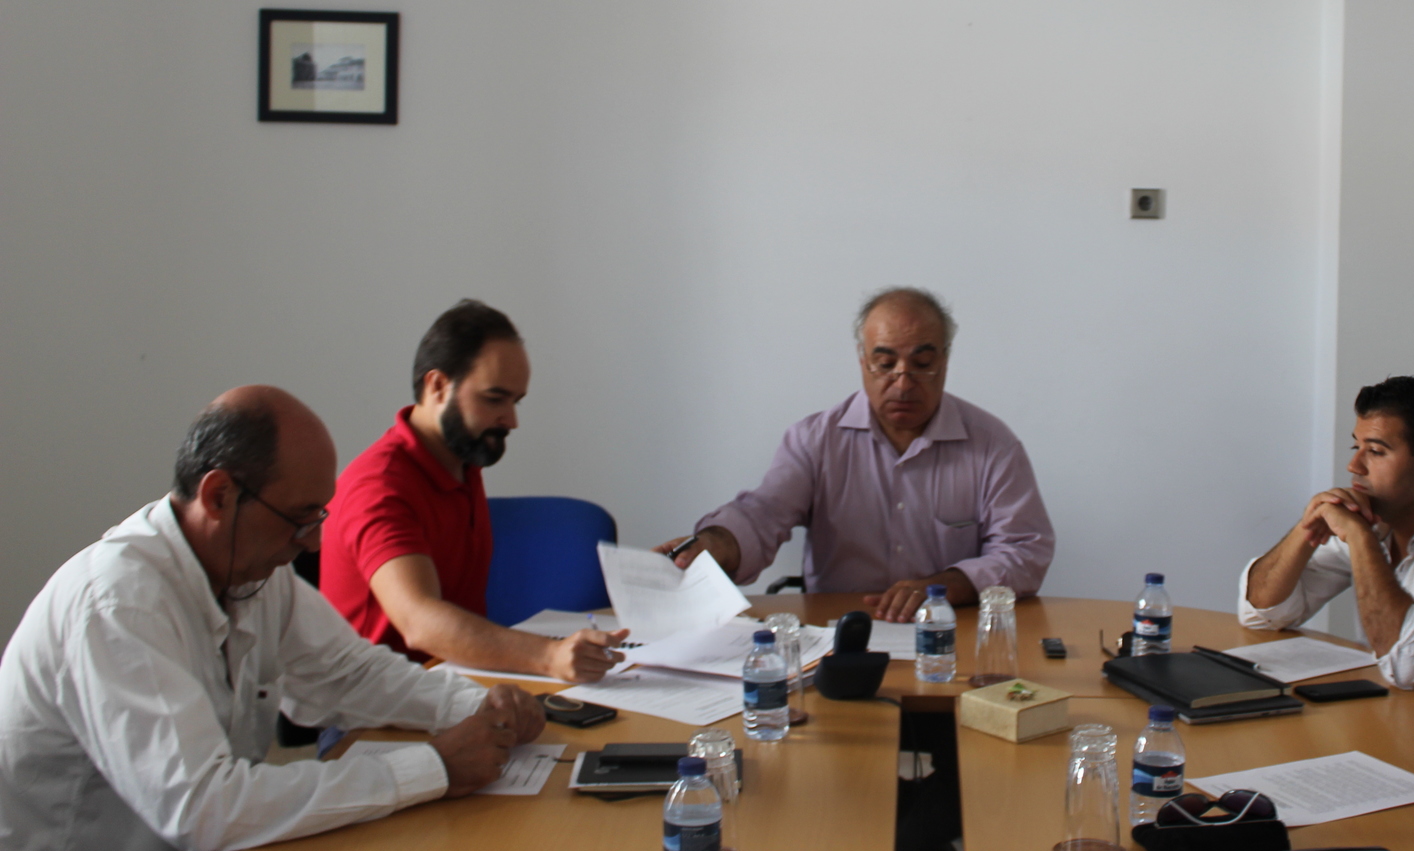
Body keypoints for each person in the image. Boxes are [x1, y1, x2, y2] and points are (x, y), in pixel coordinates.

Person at [0, 387, 546, 851]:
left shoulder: (249, 570)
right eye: (299, 517)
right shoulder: (118, 604)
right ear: (219, 495)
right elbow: (204, 807)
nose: (313, 542)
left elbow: (348, 672)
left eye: (319, 515)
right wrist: (431, 768)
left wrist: (480, 707)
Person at [658, 287, 1054, 622]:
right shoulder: (815, 440)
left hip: (949, 630)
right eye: (885, 364)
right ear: (862, 361)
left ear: (945, 361)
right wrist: (716, 545)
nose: (903, 382)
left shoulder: (992, 445)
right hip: (839, 634)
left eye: (922, 364)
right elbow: (763, 513)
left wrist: (945, 587)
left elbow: (1025, 549)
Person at [321, 300, 626, 682]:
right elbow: (419, 622)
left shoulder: (461, 460)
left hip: (448, 684)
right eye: (494, 399)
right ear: (437, 386)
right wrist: (550, 657)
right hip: (372, 706)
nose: (511, 420)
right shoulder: (378, 487)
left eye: (515, 401)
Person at [1238, 376, 1414, 693]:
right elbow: (1261, 613)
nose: (1354, 466)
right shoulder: (1379, 512)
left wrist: (1360, 539)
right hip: (1401, 707)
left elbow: (1408, 665)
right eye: (1356, 447)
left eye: (1376, 451)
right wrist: (1306, 527)